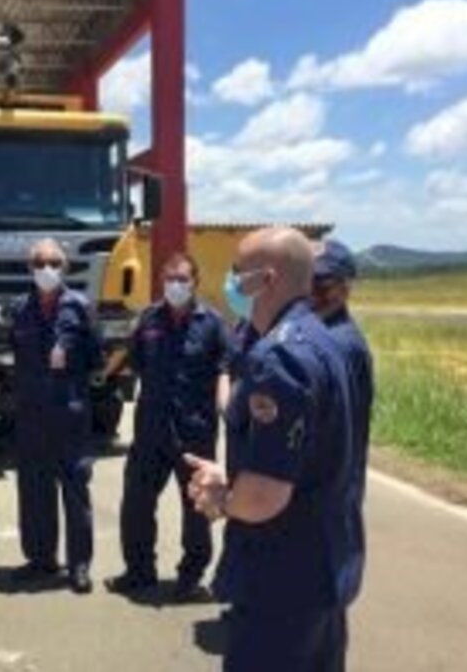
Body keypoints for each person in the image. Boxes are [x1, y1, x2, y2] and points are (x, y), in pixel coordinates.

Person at [185, 227, 361, 672]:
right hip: (320, 568)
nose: (228, 283)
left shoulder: (278, 358)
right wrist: (234, 479)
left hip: (280, 578)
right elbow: (302, 461)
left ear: (265, 279)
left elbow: (265, 497)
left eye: (236, 273)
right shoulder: (324, 340)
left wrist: (221, 499)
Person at [105, 252, 231, 601]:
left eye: (182, 279)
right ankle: (139, 571)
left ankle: (190, 578)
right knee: (136, 504)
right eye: (169, 279)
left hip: (195, 433)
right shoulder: (147, 319)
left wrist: (227, 407)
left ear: (195, 282)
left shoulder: (213, 324)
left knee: (196, 509)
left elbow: (225, 369)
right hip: (151, 430)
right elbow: (133, 363)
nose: (175, 285)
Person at [7, 238, 102, 595]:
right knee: (34, 491)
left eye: (54, 263)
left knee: (75, 490)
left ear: (64, 268)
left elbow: (96, 357)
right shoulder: (18, 308)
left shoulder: (80, 308)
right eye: (39, 263)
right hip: (31, 413)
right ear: (30, 269)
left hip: (69, 414)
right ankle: (40, 560)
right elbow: (15, 351)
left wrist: (69, 369)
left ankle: (78, 565)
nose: (47, 269)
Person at [312, 239, 374, 562]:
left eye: (323, 284)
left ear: (346, 287)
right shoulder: (317, 334)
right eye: (306, 282)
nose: (314, 292)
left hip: (325, 498)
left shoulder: (340, 345)